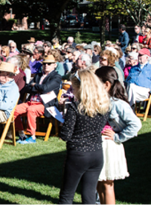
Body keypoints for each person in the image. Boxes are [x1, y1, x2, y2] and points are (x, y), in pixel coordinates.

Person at [58, 69, 111, 204]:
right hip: (97, 153)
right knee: (89, 195)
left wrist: (61, 123)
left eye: (73, 87)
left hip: (78, 153)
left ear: (81, 88)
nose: (71, 90)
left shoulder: (75, 107)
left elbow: (66, 135)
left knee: (67, 195)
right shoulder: (103, 106)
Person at [95, 66, 142, 205]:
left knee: (108, 184)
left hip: (110, 146)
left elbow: (135, 125)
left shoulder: (118, 104)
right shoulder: (100, 102)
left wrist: (117, 136)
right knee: (99, 183)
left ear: (106, 84)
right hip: (98, 145)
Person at [14, 55, 62, 144]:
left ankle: (32, 136)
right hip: (31, 102)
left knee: (31, 110)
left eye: (49, 64)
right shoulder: (38, 75)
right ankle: (21, 134)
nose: (46, 65)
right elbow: (27, 88)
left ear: (54, 65)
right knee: (14, 109)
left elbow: (45, 88)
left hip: (45, 105)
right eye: (44, 63)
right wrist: (38, 87)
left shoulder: (56, 77)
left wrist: (35, 86)